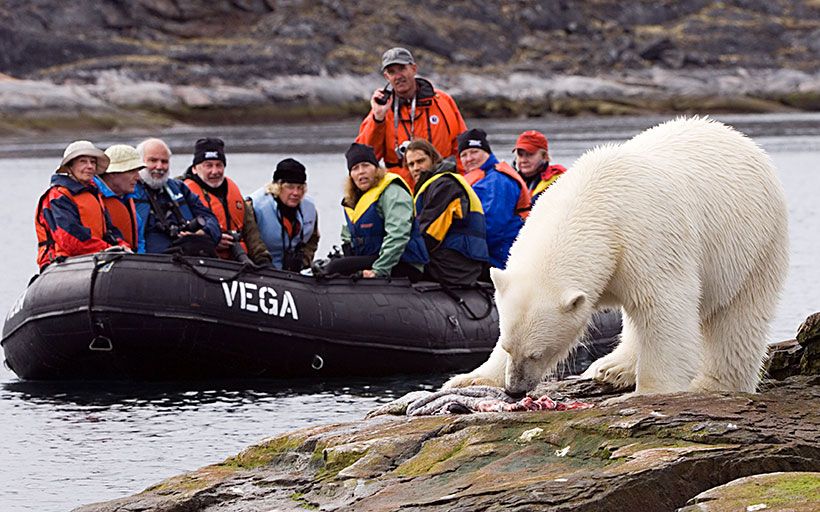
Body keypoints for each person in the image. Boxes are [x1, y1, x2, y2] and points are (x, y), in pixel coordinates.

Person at [356, 47, 467, 188]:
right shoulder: (381, 111)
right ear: (386, 77)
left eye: (402, 69)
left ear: (414, 69)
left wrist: (463, 184)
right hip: (401, 193)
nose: (398, 76)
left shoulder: (443, 101)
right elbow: (363, 158)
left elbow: (462, 149)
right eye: (392, 72)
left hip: (443, 187)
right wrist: (377, 118)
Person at [324, 143, 428, 280]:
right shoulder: (353, 200)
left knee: (334, 268)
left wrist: (379, 270)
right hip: (373, 258)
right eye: (355, 168)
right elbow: (348, 235)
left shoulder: (393, 192)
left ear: (376, 169)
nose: (361, 171)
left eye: (366, 165)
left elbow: (398, 234)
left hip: (403, 263)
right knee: (330, 265)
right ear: (351, 175)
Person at [405, 140, 488, 285]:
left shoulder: (446, 185)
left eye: (421, 161)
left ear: (433, 159)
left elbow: (430, 236)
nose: (416, 168)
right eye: (411, 164)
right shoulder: (430, 187)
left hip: (455, 267)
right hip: (448, 261)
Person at [35, 140, 126, 270]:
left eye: (93, 162)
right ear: (70, 166)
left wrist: (121, 246)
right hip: (63, 264)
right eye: (83, 161)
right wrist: (106, 249)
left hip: (94, 259)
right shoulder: (58, 196)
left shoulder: (94, 195)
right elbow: (71, 240)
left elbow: (110, 231)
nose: (90, 166)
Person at [181, 138, 270, 265]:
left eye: (219, 165)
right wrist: (212, 239)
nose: (215, 171)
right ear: (195, 168)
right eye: (208, 165)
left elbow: (252, 235)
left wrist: (264, 261)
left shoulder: (233, 191)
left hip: (238, 262)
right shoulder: (181, 192)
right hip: (202, 263)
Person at [133, 138, 221, 255]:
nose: (159, 167)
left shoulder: (179, 188)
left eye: (164, 162)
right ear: (140, 162)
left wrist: (203, 232)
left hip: (185, 257)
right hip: (149, 261)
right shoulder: (128, 190)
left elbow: (210, 218)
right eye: (153, 160)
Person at [460, 128, 531, 270]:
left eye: (474, 152)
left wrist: (462, 250)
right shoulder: (480, 177)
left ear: (487, 153)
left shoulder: (498, 180)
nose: (469, 158)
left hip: (501, 259)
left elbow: (492, 226)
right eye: (464, 155)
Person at [247, 158, 319, 271]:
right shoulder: (255, 205)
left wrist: (303, 261)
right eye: (290, 187)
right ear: (277, 186)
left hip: (296, 270)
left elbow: (313, 239)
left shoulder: (309, 208)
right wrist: (266, 265)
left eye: (300, 188)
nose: (296, 193)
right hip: (262, 268)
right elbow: (252, 243)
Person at [94, 144, 143, 251]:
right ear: (112, 173)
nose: (138, 177)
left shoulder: (128, 200)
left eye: (138, 171)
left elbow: (140, 242)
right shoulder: (93, 199)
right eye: (131, 171)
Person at [513, 130, 567, 204]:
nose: (523, 160)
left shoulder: (559, 181)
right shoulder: (511, 181)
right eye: (520, 155)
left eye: (530, 154)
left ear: (544, 156)